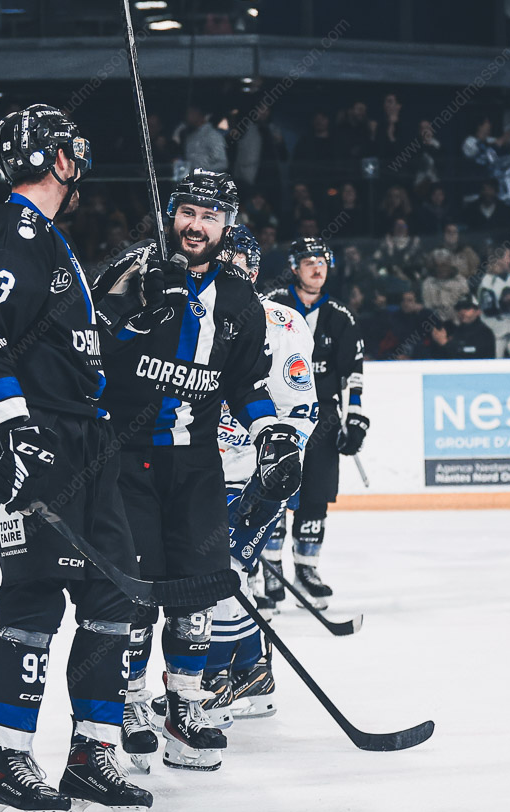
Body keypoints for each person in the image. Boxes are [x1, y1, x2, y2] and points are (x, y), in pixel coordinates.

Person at [0, 105, 152, 812]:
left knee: (112, 593)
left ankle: (92, 759)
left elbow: (72, 348)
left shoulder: (50, 239)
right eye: (70, 146)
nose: (80, 156)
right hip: (41, 437)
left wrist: (130, 314)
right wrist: (14, 436)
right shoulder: (13, 231)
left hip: (86, 441)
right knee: (34, 600)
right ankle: (3, 769)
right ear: (50, 157)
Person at [92, 170, 292, 773]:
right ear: (170, 215)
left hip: (197, 464)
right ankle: (129, 703)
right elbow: (85, 353)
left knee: (199, 589)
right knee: (135, 591)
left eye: (210, 216)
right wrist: (132, 321)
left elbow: (247, 383)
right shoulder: (128, 273)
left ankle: (184, 706)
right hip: (127, 459)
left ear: (226, 226)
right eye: (187, 212)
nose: (196, 225)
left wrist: (270, 434)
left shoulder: (238, 299)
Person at [206, 225, 317, 725]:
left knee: (220, 574)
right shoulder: (193, 313)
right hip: (200, 471)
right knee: (222, 575)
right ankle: (252, 673)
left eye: (234, 264)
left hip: (254, 475)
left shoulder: (282, 322)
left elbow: (302, 409)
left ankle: (214, 682)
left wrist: (274, 469)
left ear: (252, 271)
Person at [263, 238, 368, 609]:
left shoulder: (340, 316)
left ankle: (306, 571)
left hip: (322, 418)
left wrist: (355, 418)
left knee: (315, 496)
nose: (317, 268)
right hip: (277, 412)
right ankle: (269, 571)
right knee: (273, 488)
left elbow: (352, 373)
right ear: (295, 267)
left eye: (322, 261)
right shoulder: (272, 304)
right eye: (309, 262)